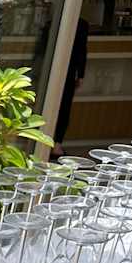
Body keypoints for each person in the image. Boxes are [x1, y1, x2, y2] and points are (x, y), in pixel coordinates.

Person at [53, 18, 89, 158]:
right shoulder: (80, 24)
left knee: (51, 106)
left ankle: (50, 144)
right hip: (68, 69)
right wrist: (81, 74)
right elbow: (82, 50)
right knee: (64, 108)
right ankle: (56, 145)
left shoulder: (53, 20)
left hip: (53, 67)